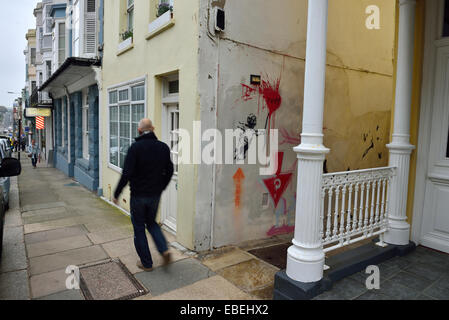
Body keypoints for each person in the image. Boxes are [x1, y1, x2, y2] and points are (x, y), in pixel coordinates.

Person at [113, 118, 174, 272]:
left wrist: (117, 193)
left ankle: (147, 263)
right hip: (155, 194)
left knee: (139, 227)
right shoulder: (163, 148)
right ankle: (163, 249)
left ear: (139, 131)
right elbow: (170, 170)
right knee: (152, 223)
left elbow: (126, 173)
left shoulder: (135, 148)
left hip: (138, 196)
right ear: (153, 129)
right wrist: (161, 187)